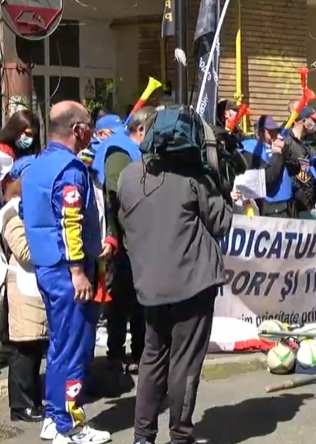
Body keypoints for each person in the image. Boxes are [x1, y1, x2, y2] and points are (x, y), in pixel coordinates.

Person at [118, 106, 233, 444]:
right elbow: (222, 224)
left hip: (149, 285)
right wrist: (219, 183)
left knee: (152, 358)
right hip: (193, 284)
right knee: (184, 363)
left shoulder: (128, 176)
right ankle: (180, 435)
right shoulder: (194, 178)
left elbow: (127, 226)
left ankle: (143, 436)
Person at [20, 101, 111, 443]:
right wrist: (78, 271)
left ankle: (54, 416)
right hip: (67, 271)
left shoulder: (36, 166)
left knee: (59, 345)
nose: (91, 130)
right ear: (77, 130)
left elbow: (30, 213)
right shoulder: (70, 170)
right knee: (74, 347)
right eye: (88, 124)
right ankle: (69, 425)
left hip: (46, 268)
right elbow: (70, 222)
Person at [91, 107, 153, 375]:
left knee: (139, 301)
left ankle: (140, 351)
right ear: (141, 130)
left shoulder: (134, 151)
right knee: (122, 302)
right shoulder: (119, 152)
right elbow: (116, 196)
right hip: (126, 241)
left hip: (139, 238)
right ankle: (117, 354)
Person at [1, 157, 46, 424]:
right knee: (24, 350)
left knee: (36, 347)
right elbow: (25, 251)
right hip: (23, 288)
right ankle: (21, 405)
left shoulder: (33, 209)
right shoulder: (11, 212)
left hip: (35, 288)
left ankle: (33, 400)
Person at [236, 115, 293, 217]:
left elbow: (295, 168)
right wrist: (277, 155)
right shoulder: (251, 149)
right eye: (270, 131)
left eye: (275, 130)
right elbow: (267, 179)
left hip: (286, 203)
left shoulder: (280, 144)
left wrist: (286, 150)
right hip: (270, 207)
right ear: (261, 132)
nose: (274, 134)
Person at [284, 106, 316, 217]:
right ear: (304, 121)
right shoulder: (286, 141)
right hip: (294, 203)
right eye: (314, 120)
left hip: (311, 201)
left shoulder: (313, 141)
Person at [0, 110, 41, 193]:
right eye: (27, 134)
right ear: (15, 130)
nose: (30, 139)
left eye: (33, 136)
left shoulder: (28, 154)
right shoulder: (2, 153)